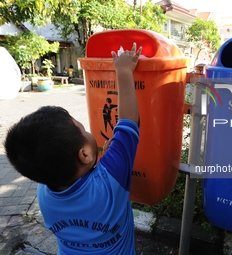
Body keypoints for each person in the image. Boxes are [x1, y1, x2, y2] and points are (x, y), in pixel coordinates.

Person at [3, 43, 142, 254]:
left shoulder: (45, 192)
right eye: (83, 129)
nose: (87, 130)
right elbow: (128, 122)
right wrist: (123, 70)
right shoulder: (110, 181)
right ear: (85, 154)